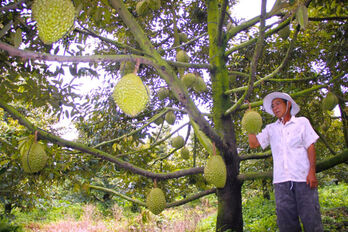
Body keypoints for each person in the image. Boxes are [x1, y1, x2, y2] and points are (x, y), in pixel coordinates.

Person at [247, 92, 323, 232]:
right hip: (281, 182)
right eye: (272, 106)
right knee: (287, 224)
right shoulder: (271, 128)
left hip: (303, 179)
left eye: (278, 104)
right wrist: (249, 122)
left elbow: (310, 146)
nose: (275, 108)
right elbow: (254, 144)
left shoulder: (302, 122)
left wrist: (312, 172)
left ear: (288, 104)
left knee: (311, 220)